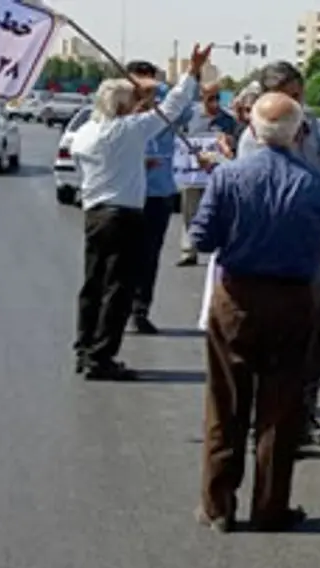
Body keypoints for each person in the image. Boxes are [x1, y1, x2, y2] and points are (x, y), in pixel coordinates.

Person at [189, 91, 320, 533]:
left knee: (226, 401)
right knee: (282, 407)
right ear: (298, 132)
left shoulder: (228, 176)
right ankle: (271, 507)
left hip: (237, 297)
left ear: (253, 129)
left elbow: (202, 238)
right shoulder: (316, 183)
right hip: (295, 300)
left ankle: (218, 505)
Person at [70, 45, 207, 381]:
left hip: (94, 213)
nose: (137, 104)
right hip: (123, 216)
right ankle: (102, 357)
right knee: (118, 288)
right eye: (132, 100)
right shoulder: (128, 130)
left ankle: (84, 348)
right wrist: (192, 71)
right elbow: (172, 106)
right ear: (121, 105)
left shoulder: (85, 133)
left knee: (93, 285)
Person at [235, 60, 320, 447]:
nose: (295, 104)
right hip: (270, 255)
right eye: (286, 96)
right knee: (270, 348)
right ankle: (266, 421)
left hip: (309, 253)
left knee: (315, 344)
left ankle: (302, 416)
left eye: (298, 95)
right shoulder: (255, 136)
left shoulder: (309, 127)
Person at [123, 60, 189, 336]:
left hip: (158, 191)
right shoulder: (118, 104)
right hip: (126, 193)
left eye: (148, 83)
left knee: (149, 256)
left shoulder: (164, 105)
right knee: (122, 257)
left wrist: (158, 98)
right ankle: (118, 309)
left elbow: (185, 112)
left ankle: (140, 310)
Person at [177, 82, 240, 267]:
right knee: (189, 211)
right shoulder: (189, 116)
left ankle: (221, 250)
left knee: (219, 211)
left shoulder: (228, 120)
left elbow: (235, 146)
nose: (215, 102)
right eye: (210, 98)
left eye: (217, 97)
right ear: (202, 97)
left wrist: (229, 142)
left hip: (216, 175)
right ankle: (189, 251)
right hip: (192, 174)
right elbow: (179, 139)